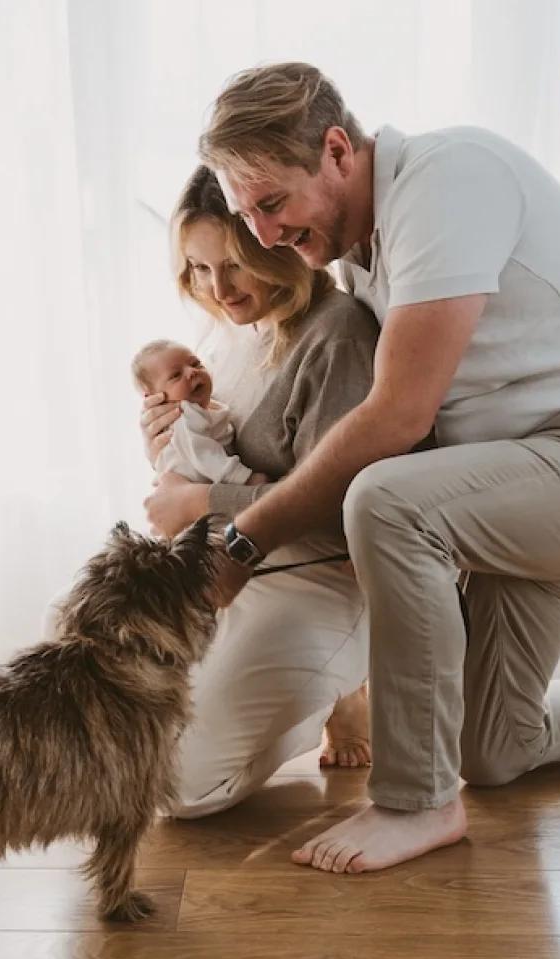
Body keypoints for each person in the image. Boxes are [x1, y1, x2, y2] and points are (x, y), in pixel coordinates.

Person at [195, 62, 560, 875]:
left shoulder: (445, 180)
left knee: (388, 502)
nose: (261, 235)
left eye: (270, 204)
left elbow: (399, 418)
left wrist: (242, 538)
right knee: (498, 749)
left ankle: (417, 802)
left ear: (336, 151)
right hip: (516, 480)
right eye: (242, 213)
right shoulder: (357, 254)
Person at [133, 164, 383, 814]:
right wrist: (165, 451)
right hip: (224, 570)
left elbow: (345, 511)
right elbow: (219, 458)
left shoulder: (338, 336)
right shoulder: (231, 330)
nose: (218, 290)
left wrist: (200, 503)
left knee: (179, 787)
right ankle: (327, 691)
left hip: (317, 576)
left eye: (235, 264)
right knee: (80, 660)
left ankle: (342, 683)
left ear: (275, 240)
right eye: (196, 269)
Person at [130, 338, 264, 486]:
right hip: (188, 494)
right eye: (176, 375)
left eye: (196, 364)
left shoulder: (205, 407)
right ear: (155, 398)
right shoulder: (183, 417)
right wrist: (244, 478)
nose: (192, 371)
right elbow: (205, 455)